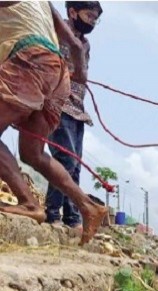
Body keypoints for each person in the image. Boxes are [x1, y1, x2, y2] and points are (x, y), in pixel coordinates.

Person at [0, 1, 107, 244]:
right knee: (32, 153)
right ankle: (88, 207)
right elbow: (77, 48)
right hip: (58, 76)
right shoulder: (44, 3)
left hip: (29, 60)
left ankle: (29, 203)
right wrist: (79, 75)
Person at [45, 1, 102, 232]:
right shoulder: (55, 31)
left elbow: (83, 73)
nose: (92, 22)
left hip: (77, 109)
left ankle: (72, 218)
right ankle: (52, 214)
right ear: (72, 12)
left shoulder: (85, 44)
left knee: (75, 165)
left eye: (96, 18)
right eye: (89, 15)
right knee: (64, 161)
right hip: (57, 105)